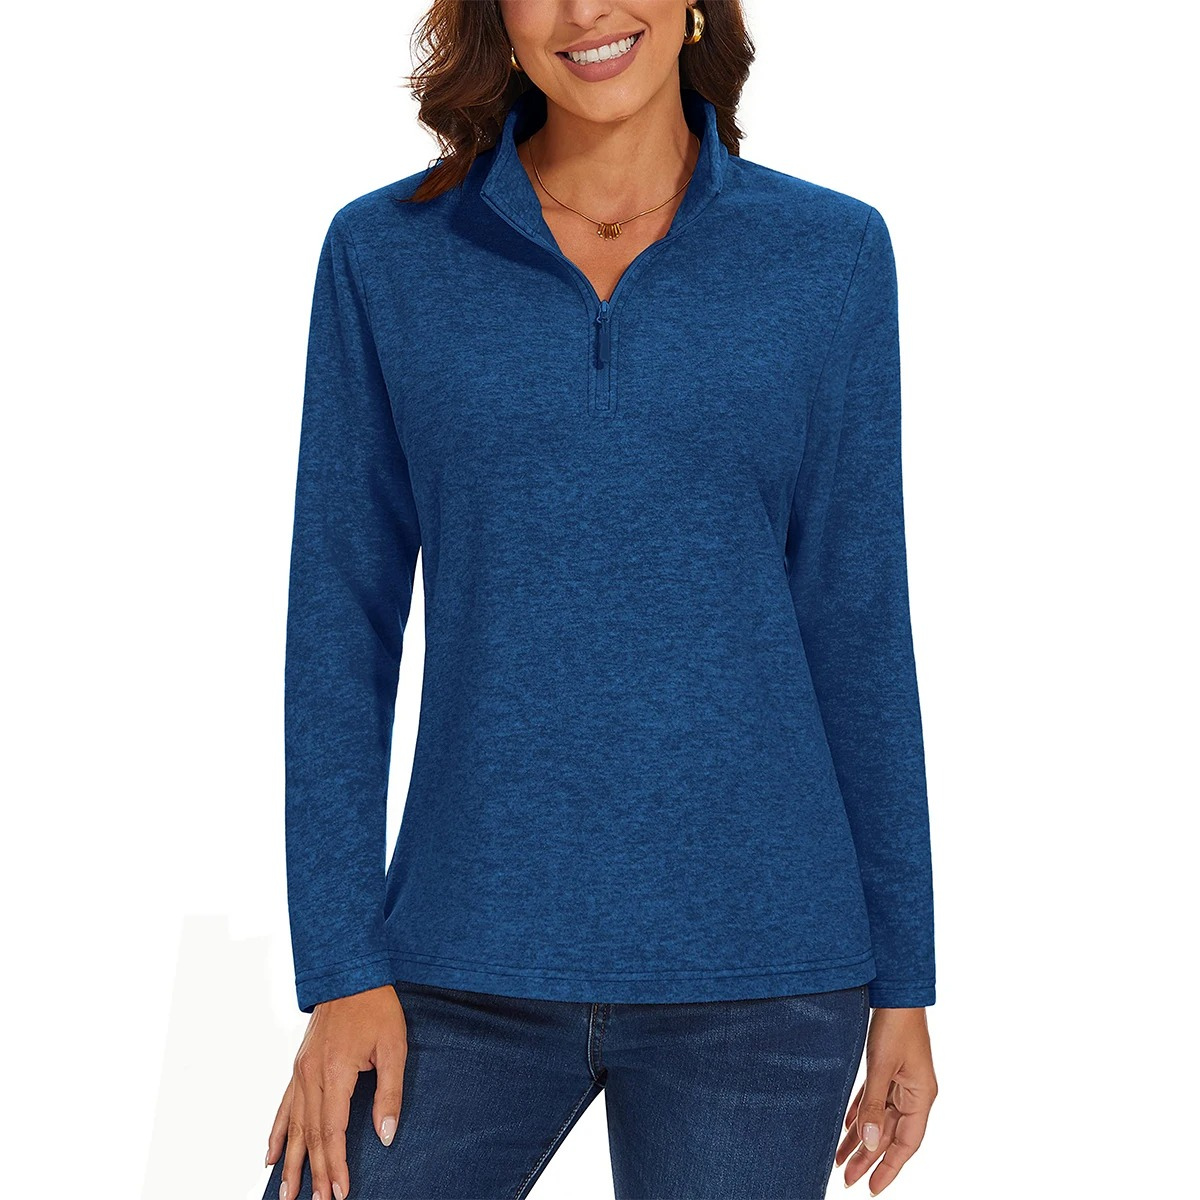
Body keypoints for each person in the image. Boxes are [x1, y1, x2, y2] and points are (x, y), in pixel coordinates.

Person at [262, 2, 939, 1197]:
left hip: (762, 973)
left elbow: (857, 624)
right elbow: (338, 627)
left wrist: (905, 983)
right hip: (457, 955)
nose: (585, 11)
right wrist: (341, 966)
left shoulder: (828, 255)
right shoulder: (388, 254)